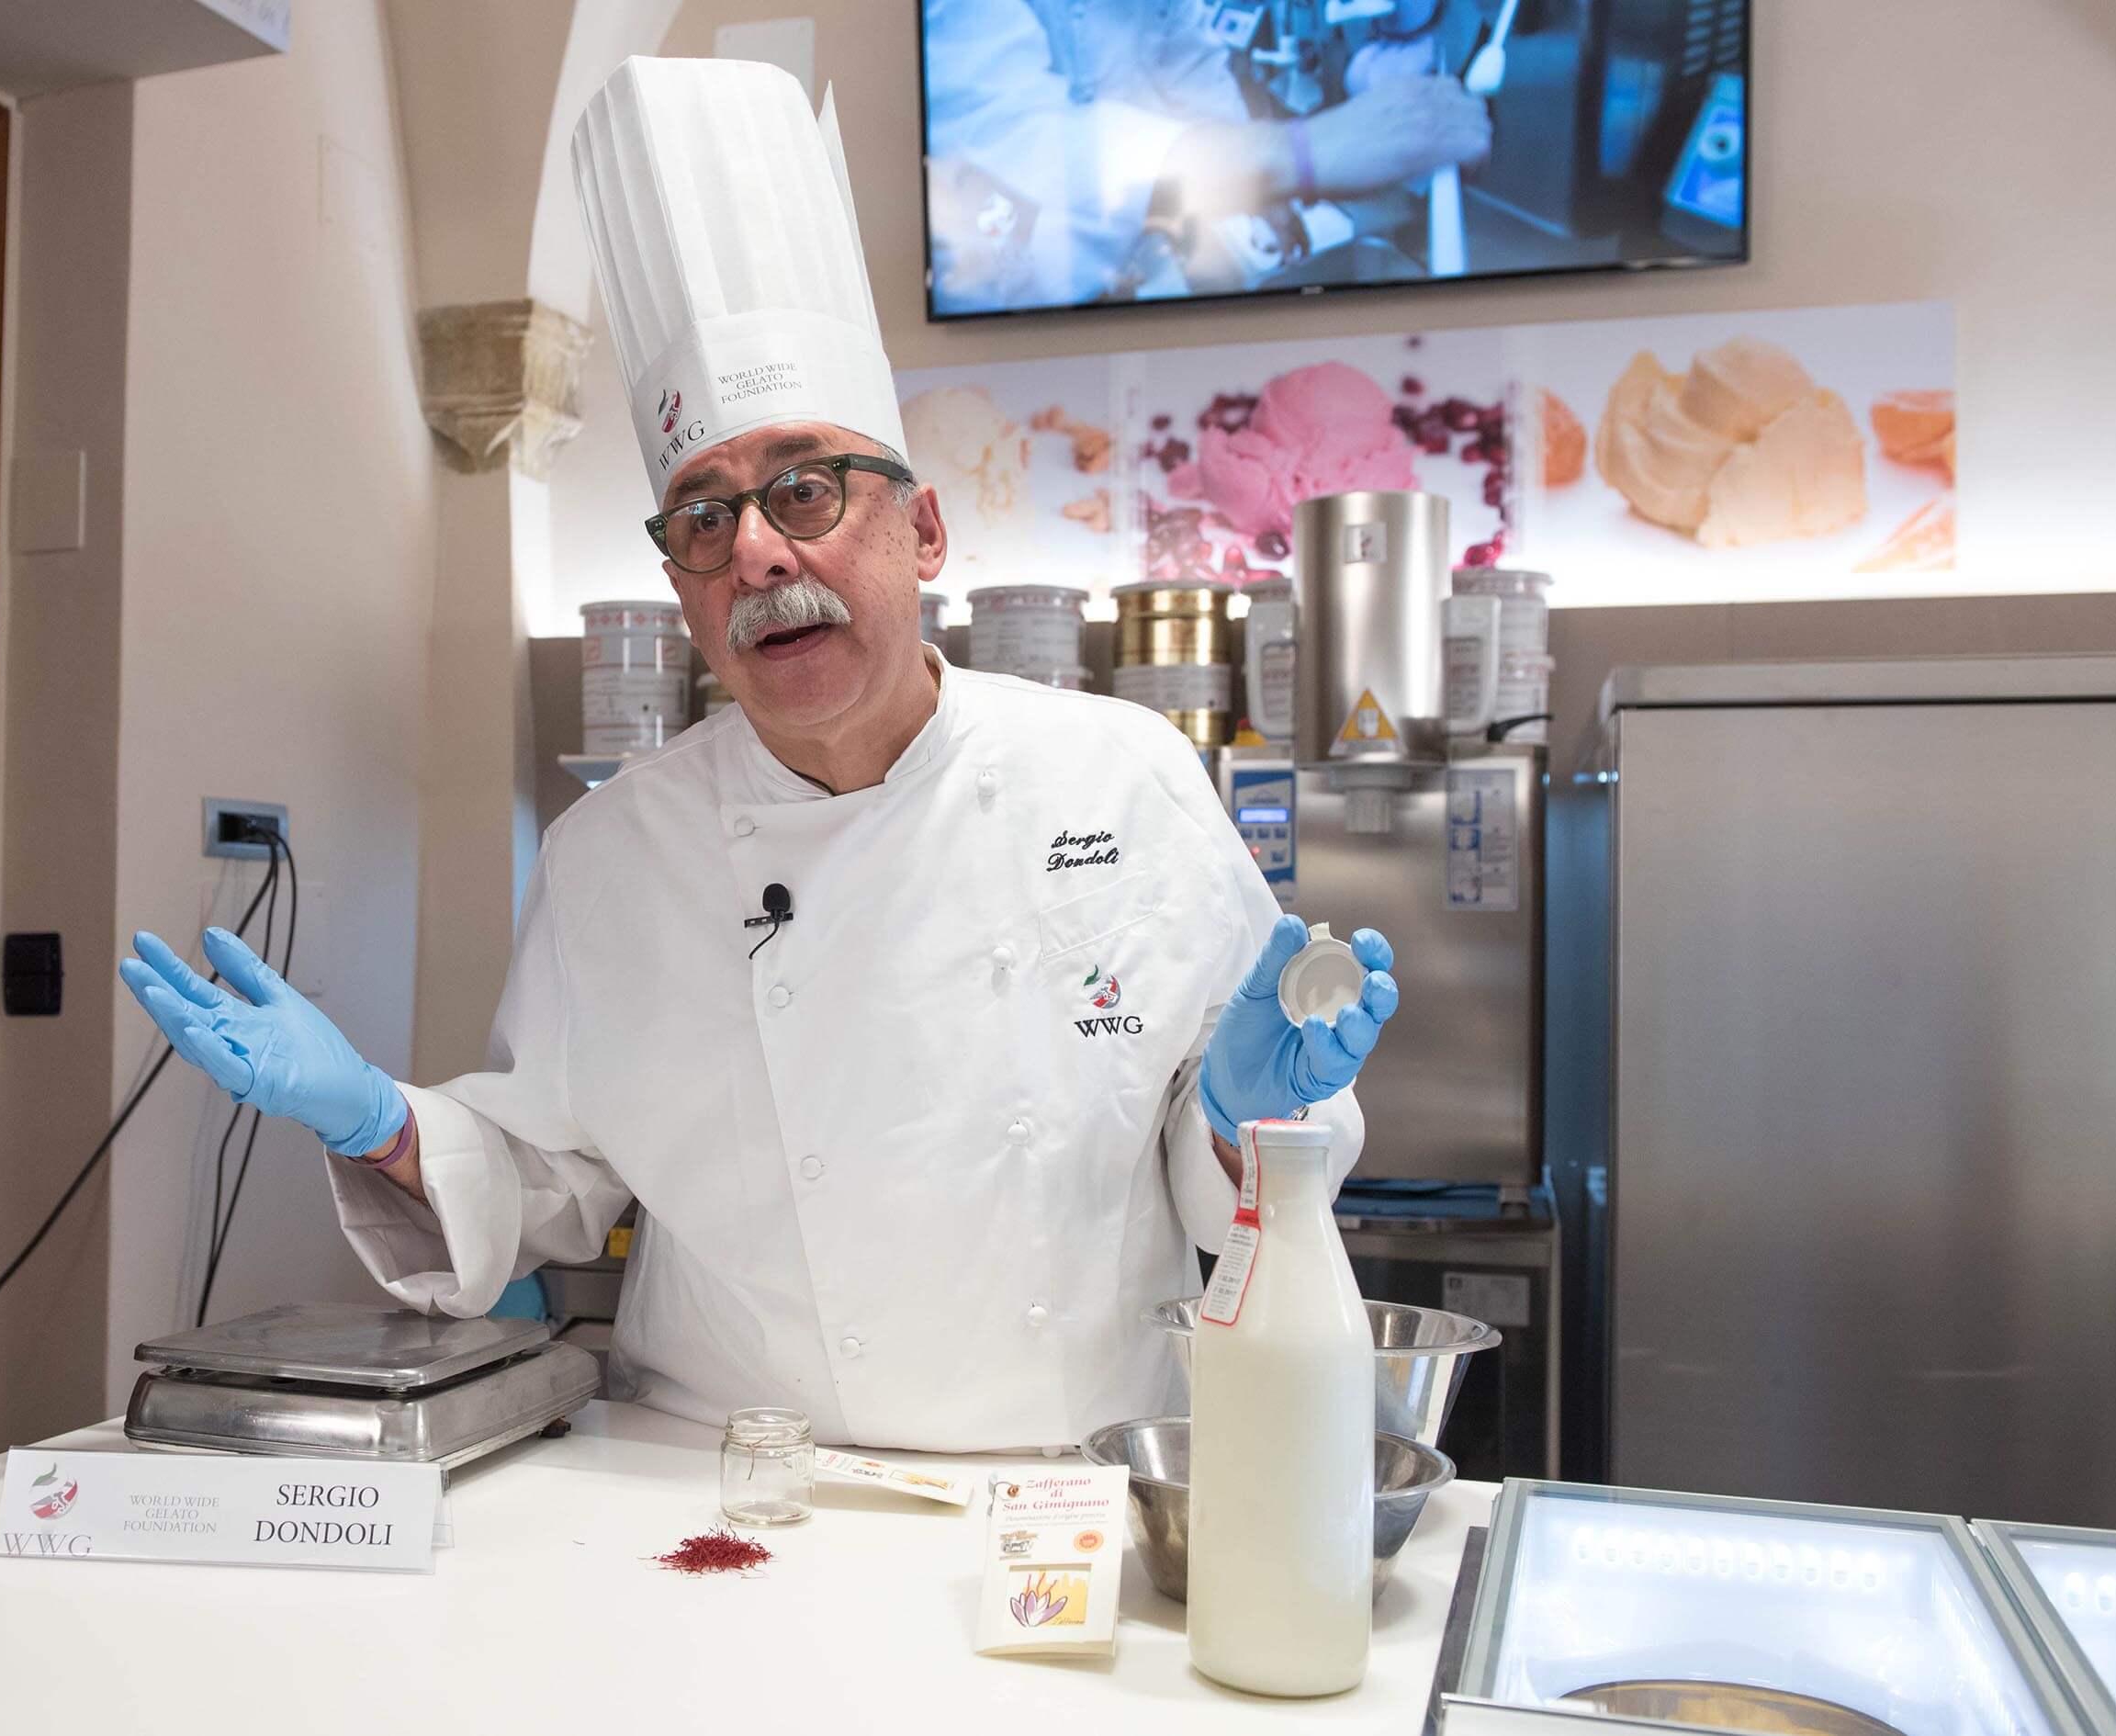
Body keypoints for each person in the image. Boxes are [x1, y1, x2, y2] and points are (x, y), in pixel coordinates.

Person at [120, 57, 1398, 1452]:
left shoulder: (1124, 776)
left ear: (921, 535)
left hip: (1062, 1491)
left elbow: (1228, 1185)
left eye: (803, 488)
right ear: (680, 587)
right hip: (722, 1494)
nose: (758, 554)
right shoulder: (613, 850)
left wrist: (1232, 1114)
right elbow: (551, 1173)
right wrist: (376, 1118)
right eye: (701, 520)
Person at [922, 0, 1491, 308]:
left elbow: (1190, 65)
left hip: (1148, 264)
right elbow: (1013, 141)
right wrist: (1294, 155)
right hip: (1013, 301)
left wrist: (1259, 186)